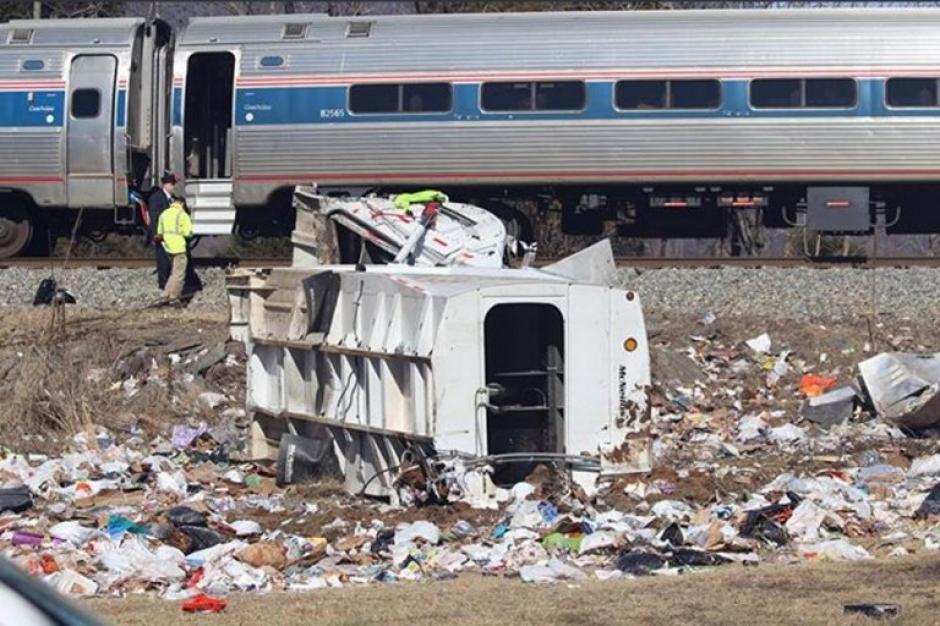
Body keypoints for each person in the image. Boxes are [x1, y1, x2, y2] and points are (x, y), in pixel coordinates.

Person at [155, 199, 193, 306]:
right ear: (182, 204)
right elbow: (188, 233)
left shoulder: (164, 214)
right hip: (179, 247)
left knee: (173, 273)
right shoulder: (183, 215)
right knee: (179, 274)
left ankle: (165, 295)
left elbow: (160, 233)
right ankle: (174, 298)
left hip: (168, 248)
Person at [147, 171, 176, 290]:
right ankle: (163, 285)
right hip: (162, 234)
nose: (174, 187)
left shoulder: (173, 199)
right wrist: (155, 234)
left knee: (170, 261)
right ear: (166, 185)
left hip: (171, 235)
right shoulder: (156, 198)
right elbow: (154, 217)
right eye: (172, 184)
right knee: (163, 261)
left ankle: (168, 284)